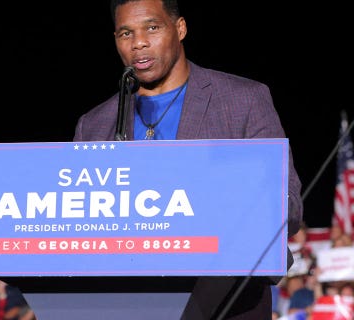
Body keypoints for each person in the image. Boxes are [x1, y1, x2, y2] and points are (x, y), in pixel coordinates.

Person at [72, 1, 303, 319]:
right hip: (124, 299)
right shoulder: (95, 124)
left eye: (152, 27)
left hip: (228, 299)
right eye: (126, 32)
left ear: (180, 28)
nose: (138, 41)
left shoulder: (243, 101)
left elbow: (287, 207)